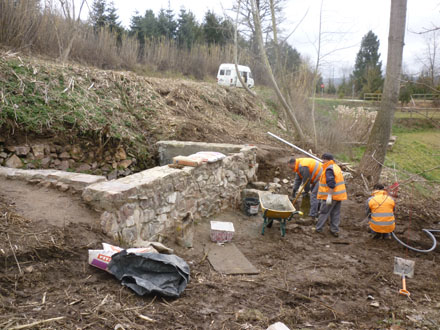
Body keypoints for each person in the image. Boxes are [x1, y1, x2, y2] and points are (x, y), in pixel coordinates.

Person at [315, 153, 347, 237]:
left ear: (327, 160)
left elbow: (331, 183)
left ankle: (318, 229)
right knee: (335, 213)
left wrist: (329, 196)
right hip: (338, 196)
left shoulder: (329, 169)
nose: (322, 161)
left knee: (324, 212)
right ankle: (334, 230)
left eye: (323, 159)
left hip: (330, 196)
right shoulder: (336, 167)